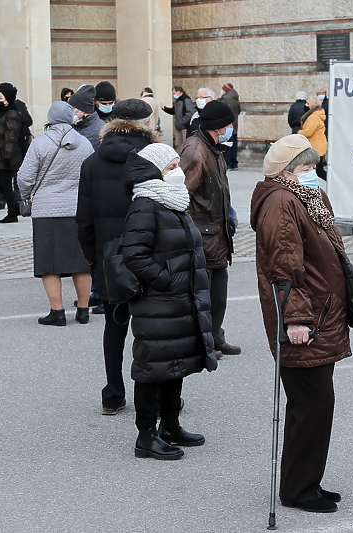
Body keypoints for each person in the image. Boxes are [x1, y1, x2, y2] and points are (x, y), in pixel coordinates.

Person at [250, 134, 351, 513]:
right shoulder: (280, 201)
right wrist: (295, 318)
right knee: (313, 404)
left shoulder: (304, 198)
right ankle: (298, 490)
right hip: (305, 320)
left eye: (314, 166)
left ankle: (305, 481)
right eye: (306, 168)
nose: (313, 174)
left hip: (321, 314)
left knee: (312, 405)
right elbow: (283, 265)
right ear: (286, 172)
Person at [121, 142, 215, 460]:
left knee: (175, 365)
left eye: (178, 166)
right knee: (152, 368)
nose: (179, 172)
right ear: (155, 172)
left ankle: (171, 425)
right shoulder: (146, 203)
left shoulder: (172, 200)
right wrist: (168, 281)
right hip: (158, 302)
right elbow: (135, 255)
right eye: (171, 167)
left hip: (179, 301)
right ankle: (146, 436)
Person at [76, 98, 159, 415]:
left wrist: (94, 260)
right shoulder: (155, 159)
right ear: (147, 124)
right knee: (152, 327)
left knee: (114, 328)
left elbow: (83, 220)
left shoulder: (93, 162)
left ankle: (113, 393)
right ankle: (152, 397)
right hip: (151, 254)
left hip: (109, 257)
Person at [17, 101, 94, 325]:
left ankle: (57, 312)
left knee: (49, 263)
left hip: (46, 209)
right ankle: (83, 309)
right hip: (78, 208)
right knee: (81, 261)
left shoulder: (40, 143)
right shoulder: (85, 143)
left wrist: (26, 193)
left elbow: (25, 177)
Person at [179, 100, 241, 356]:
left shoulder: (213, 147)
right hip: (202, 234)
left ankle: (215, 336)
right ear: (219, 126)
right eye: (229, 124)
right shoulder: (195, 151)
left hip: (217, 234)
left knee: (218, 293)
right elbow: (181, 194)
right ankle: (201, 343)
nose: (231, 129)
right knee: (201, 295)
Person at [0, 82, 27, 224]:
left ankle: (12, 213)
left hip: (6, 157)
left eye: (1, 93)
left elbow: (11, 137)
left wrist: (7, 156)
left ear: (7, 97)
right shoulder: (1, 111)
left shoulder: (12, 114)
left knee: (4, 184)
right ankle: (14, 207)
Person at [297, 95, 327, 180]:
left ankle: (333, 184)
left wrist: (298, 132)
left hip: (316, 147)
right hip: (317, 145)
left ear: (312, 104)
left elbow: (308, 132)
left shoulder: (314, 116)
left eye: (307, 103)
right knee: (317, 170)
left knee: (318, 170)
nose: (306, 105)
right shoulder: (315, 115)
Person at [69, 84, 104, 150]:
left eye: (73, 108)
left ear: (83, 110)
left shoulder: (100, 129)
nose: (70, 110)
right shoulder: (75, 125)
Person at [219, 83, 241, 170]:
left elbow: (219, 109)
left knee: (227, 145)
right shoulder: (236, 98)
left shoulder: (225, 98)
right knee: (234, 145)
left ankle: (227, 163)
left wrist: (219, 98)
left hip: (226, 125)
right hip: (234, 125)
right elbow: (238, 111)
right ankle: (234, 163)